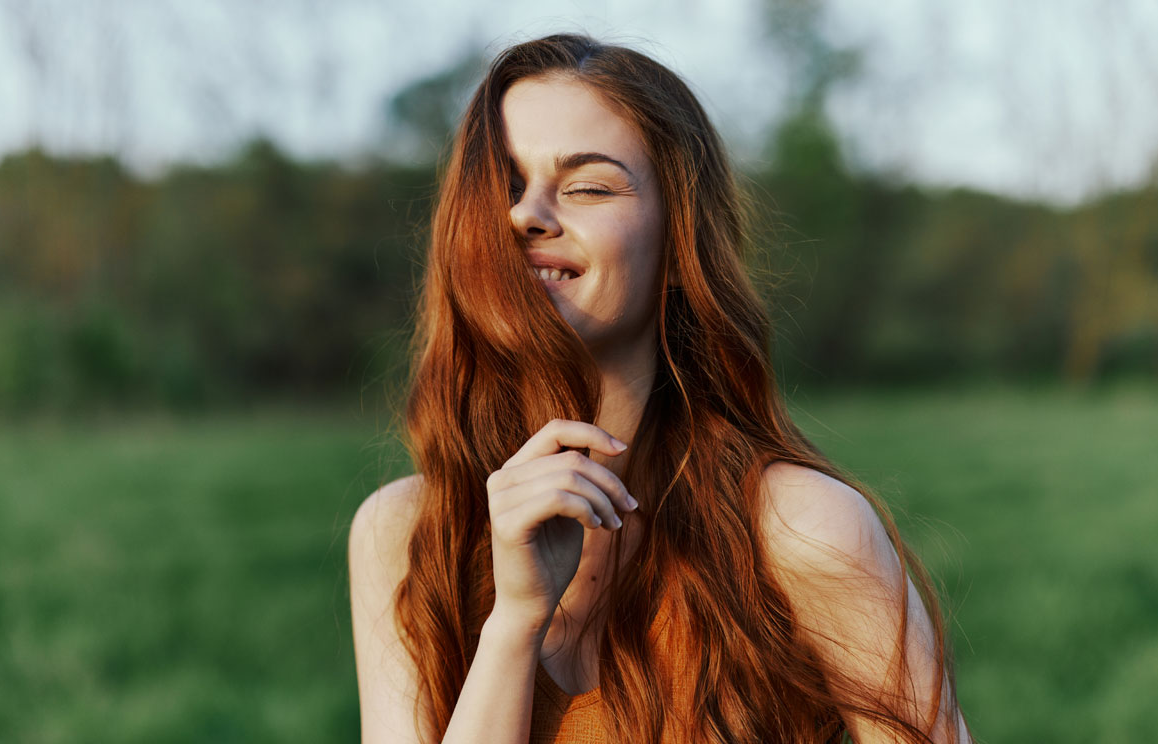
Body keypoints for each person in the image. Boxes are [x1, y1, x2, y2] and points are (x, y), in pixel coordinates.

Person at [349, 33, 972, 744]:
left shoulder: (801, 530)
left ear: (679, 245)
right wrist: (514, 625)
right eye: (505, 186)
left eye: (587, 187)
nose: (527, 214)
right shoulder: (402, 536)